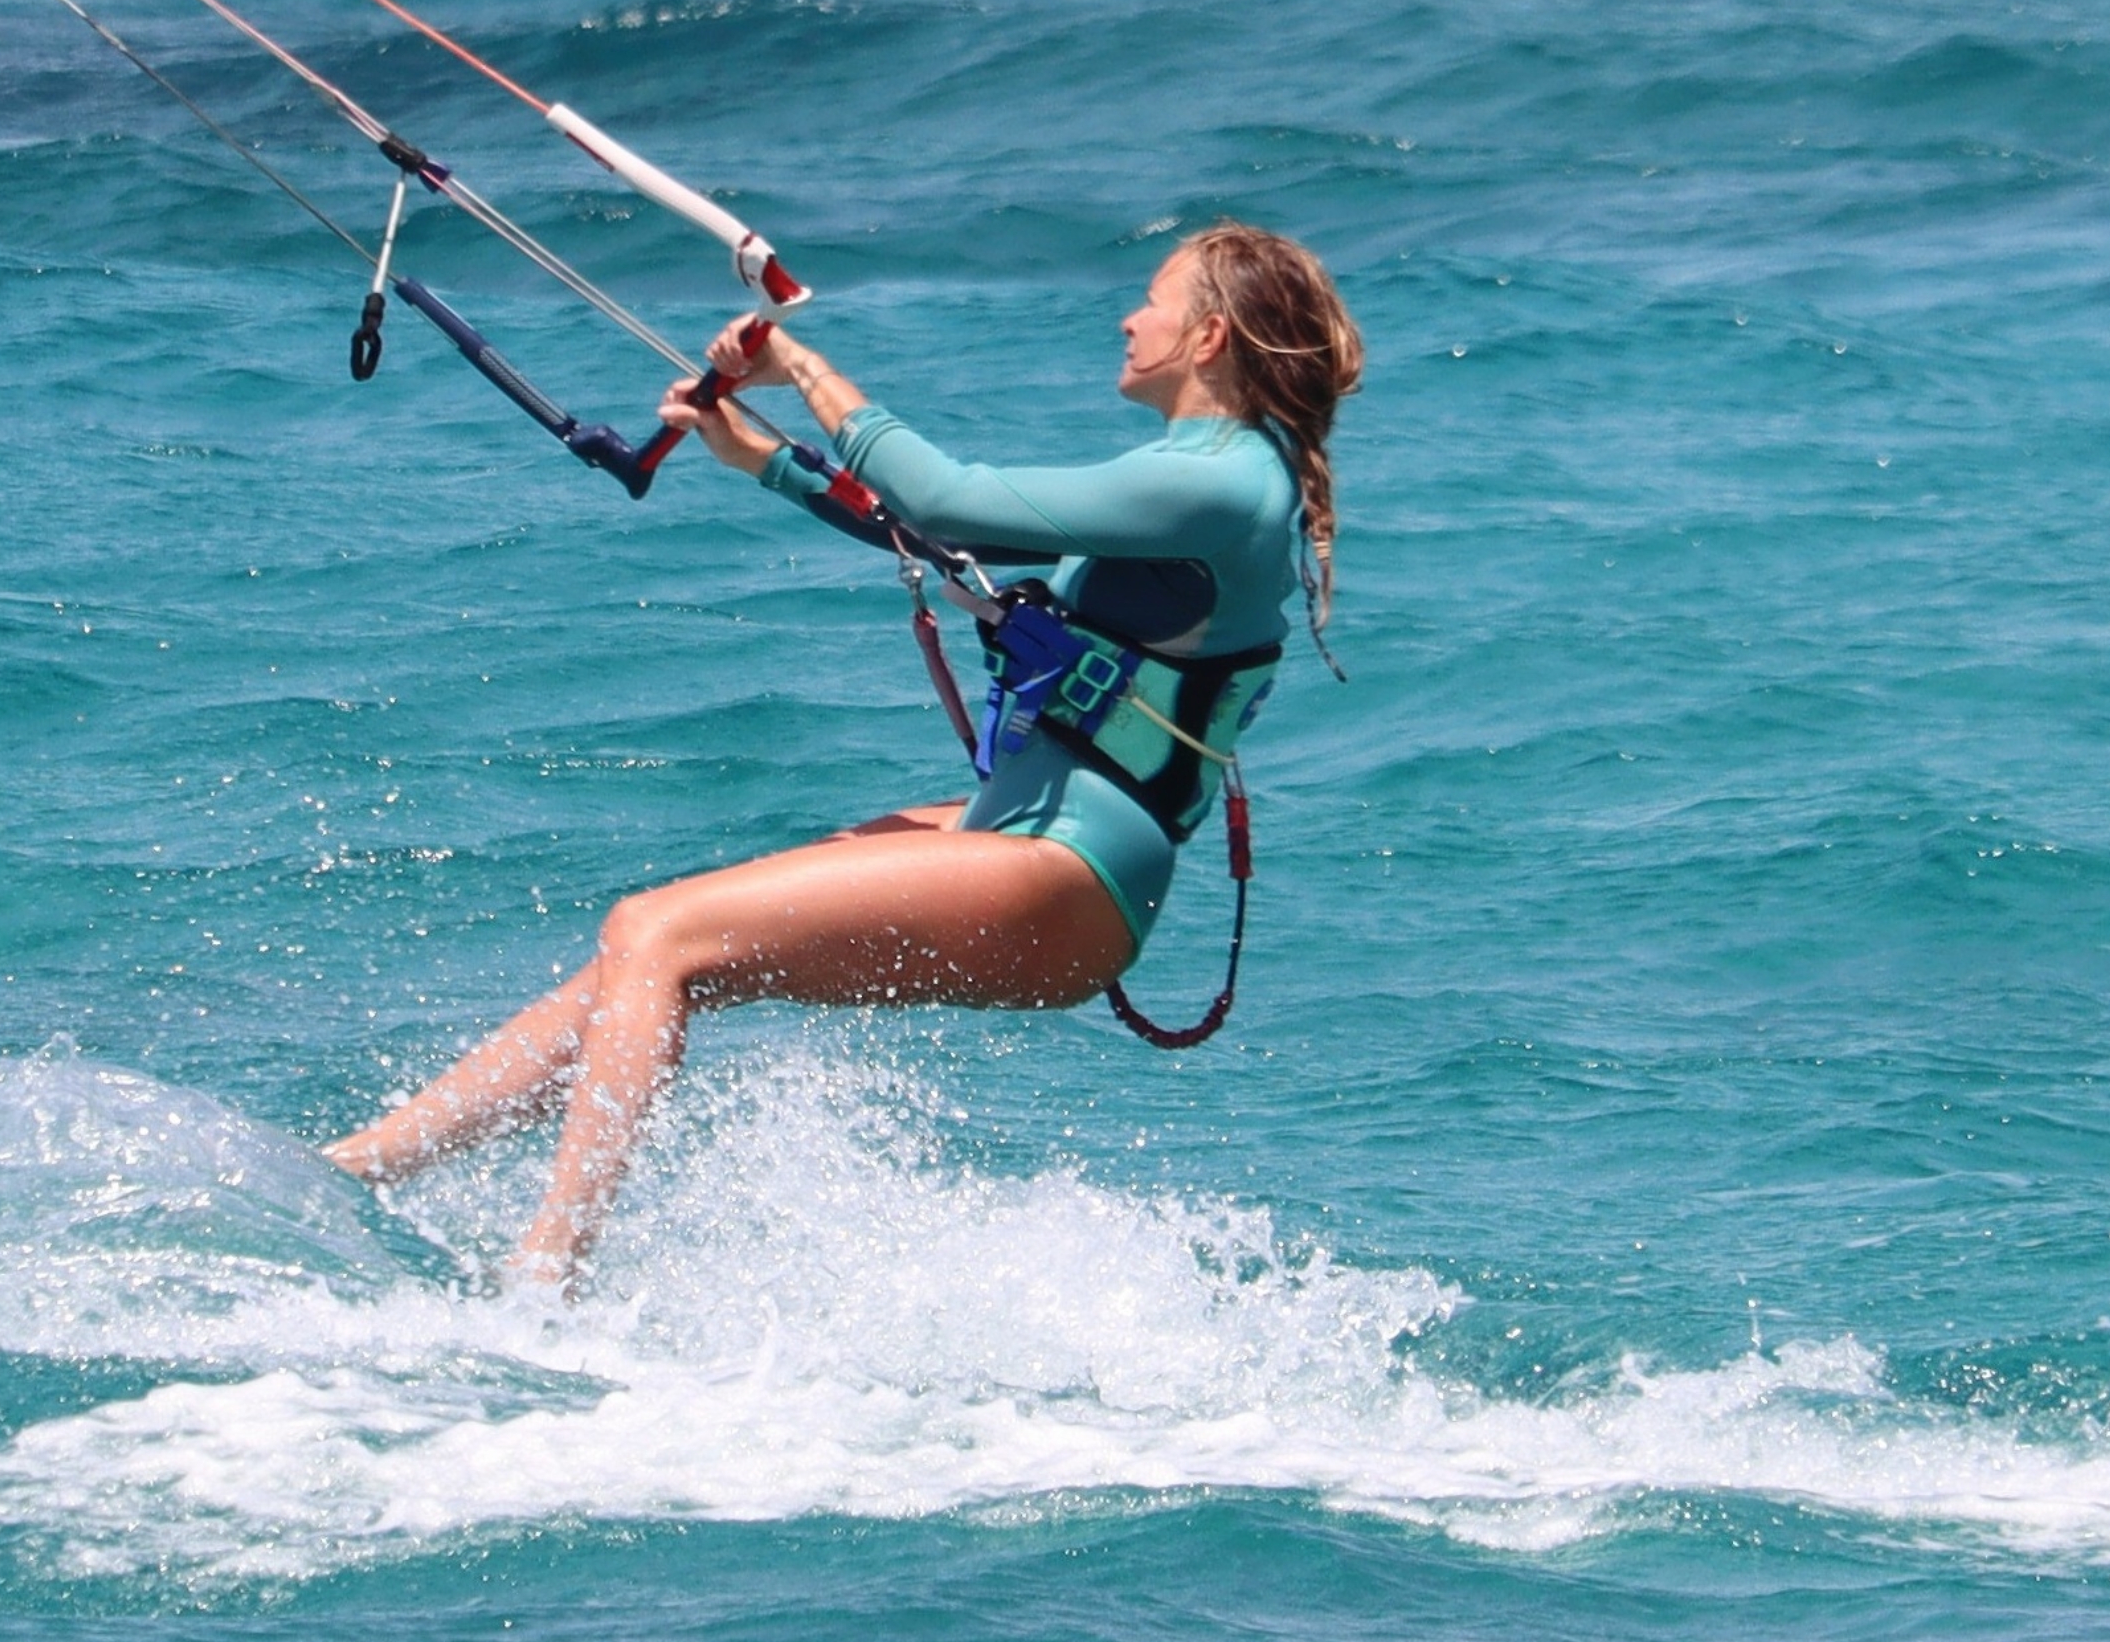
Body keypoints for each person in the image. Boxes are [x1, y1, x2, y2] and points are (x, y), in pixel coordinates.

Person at [324, 224, 1362, 1288]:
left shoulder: (1228, 485)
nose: (1129, 319)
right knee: (651, 959)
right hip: (1036, 841)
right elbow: (941, 538)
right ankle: (361, 1170)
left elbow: (948, 498)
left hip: (1073, 869)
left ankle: (547, 1277)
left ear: (1208, 337)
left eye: (1152, 301)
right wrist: (763, 459)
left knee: (654, 930)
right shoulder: (1201, 480)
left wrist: (803, 369)